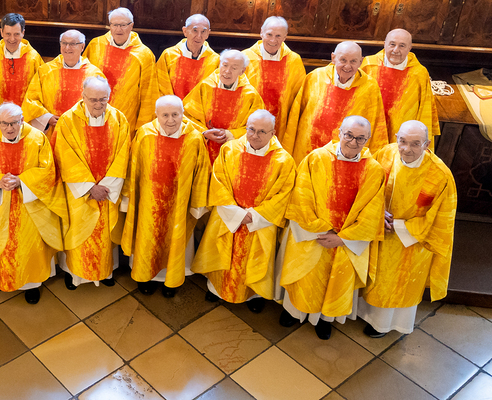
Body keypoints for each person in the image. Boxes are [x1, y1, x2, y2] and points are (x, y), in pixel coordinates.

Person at [278, 116, 385, 340]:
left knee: (335, 281)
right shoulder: (316, 158)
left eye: (360, 138)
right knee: (305, 277)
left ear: (367, 140)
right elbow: (301, 197)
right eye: (349, 135)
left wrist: (342, 238)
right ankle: (293, 312)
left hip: (345, 241)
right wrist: (321, 230)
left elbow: (372, 212)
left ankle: (324, 320)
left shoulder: (374, 170)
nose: (353, 142)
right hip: (313, 234)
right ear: (339, 133)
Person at [359, 120, 456, 337]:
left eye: (415, 144)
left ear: (427, 144)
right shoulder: (386, 153)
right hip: (377, 232)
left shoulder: (440, 175)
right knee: (370, 277)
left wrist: (399, 226)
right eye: (402, 141)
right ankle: (362, 314)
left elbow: (441, 219)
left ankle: (383, 324)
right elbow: (367, 183)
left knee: (394, 285)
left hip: (410, 242)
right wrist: (375, 213)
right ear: (396, 138)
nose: (407, 149)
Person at [192, 110, 296, 311]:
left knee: (255, 259)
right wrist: (236, 213)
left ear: (273, 133)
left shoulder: (284, 161)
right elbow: (218, 182)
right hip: (228, 215)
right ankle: (216, 288)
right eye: (251, 129)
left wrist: (253, 217)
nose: (255, 135)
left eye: (262, 132)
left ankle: (253, 294)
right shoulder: (230, 149)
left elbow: (283, 196)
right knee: (222, 253)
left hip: (259, 223)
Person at [0, 102, 65, 304]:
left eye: (14, 123)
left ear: (22, 120)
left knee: (29, 245)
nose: (9, 128)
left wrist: (21, 181)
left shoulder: (37, 139)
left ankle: (32, 284)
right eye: (4, 123)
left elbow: (48, 171)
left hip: (30, 206)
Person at [122, 96, 209, 297]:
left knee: (175, 240)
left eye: (175, 114)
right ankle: (145, 276)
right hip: (149, 202)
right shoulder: (145, 135)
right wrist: (129, 198)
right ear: (157, 115)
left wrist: (197, 204)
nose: (171, 120)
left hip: (179, 203)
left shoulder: (194, 138)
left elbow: (202, 172)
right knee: (147, 239)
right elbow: (133, 168)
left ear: (183, 114)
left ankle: (172, 279)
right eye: (165, 115)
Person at [55, 76, 130, 288]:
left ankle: (105, 272)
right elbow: (65, 156)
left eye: (103, 99)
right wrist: (89, 188)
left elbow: (123, 154)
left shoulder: (119, 119)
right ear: (83, 96)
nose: (98, 104)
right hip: (80, 191)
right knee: (78, 230)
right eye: (93, 100)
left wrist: (106, 187)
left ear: (109, 97)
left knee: (104, 234)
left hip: (107, 189)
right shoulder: (68, 120)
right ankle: (73, 273)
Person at [282, 41, 388, 163]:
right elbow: (295, 115)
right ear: (333, 58)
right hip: (309, 145)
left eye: (353, 61)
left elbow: (376, 124)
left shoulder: (370, 87)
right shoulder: (315, 77)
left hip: (348, 150)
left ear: (361, 62)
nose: (347, 66)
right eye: (343, 60)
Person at [183, 50, 265, 164]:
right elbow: (186, 115)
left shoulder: (250, 95)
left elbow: (260, 128)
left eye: (234, 68)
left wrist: (231, 134)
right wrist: (204, 132)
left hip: (234, 153)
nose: (227, 71)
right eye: (225, 65)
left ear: (242, 71)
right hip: (203, 149)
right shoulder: (205, 86)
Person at [362, 29, 440, 143]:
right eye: (392, 44)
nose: (396, 50)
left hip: (400, 129)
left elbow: (425, 107)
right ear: (384, 44)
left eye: (402, 46)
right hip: (371, 123)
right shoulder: (369, 65)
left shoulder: (419, 73)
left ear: (409, 48)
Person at [22, 30, 105, 138]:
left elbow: (101, 105)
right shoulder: (45, 71)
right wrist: (47, 117)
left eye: (72, 44)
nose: (67, 48)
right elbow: (31, 99)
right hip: (52, 131)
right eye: (64, 43)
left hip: (80, 132)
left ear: (82, 47)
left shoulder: (94, 75)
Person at [85, 8, 157, 129]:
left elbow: (148, 92)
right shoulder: (95, 45)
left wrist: (143, 126)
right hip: (93, 111)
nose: (118, 29)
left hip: (126, 115)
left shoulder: (144, 55)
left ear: (131, 26)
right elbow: (83, 77)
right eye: (114, 25)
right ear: (110, 25)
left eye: (123, 25)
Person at [242, 16, 306, 137]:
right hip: (249, 121)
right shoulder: (245, 58)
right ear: (261, 32)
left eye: (278, 36)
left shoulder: (294, 61)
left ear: (285, 36)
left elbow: (299, 97)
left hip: (280, 122)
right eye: (269, 34)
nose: (273, 40)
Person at [0, 13, 44, 118]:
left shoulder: (33, 58)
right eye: (8, 34)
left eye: (16, 34)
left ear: (23, 33)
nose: (12, 39)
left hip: (26, 117)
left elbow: (40, 89)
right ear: (1, 32)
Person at [155, 14, 220, 99]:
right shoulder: (169, 55)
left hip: (199, 107)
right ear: (185, 31)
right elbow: (161, 86)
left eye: (203, 31)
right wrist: (174, 105)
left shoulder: (215, 60)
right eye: (195, 30)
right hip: (172, 106)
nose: (199, 36)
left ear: (208, 33)